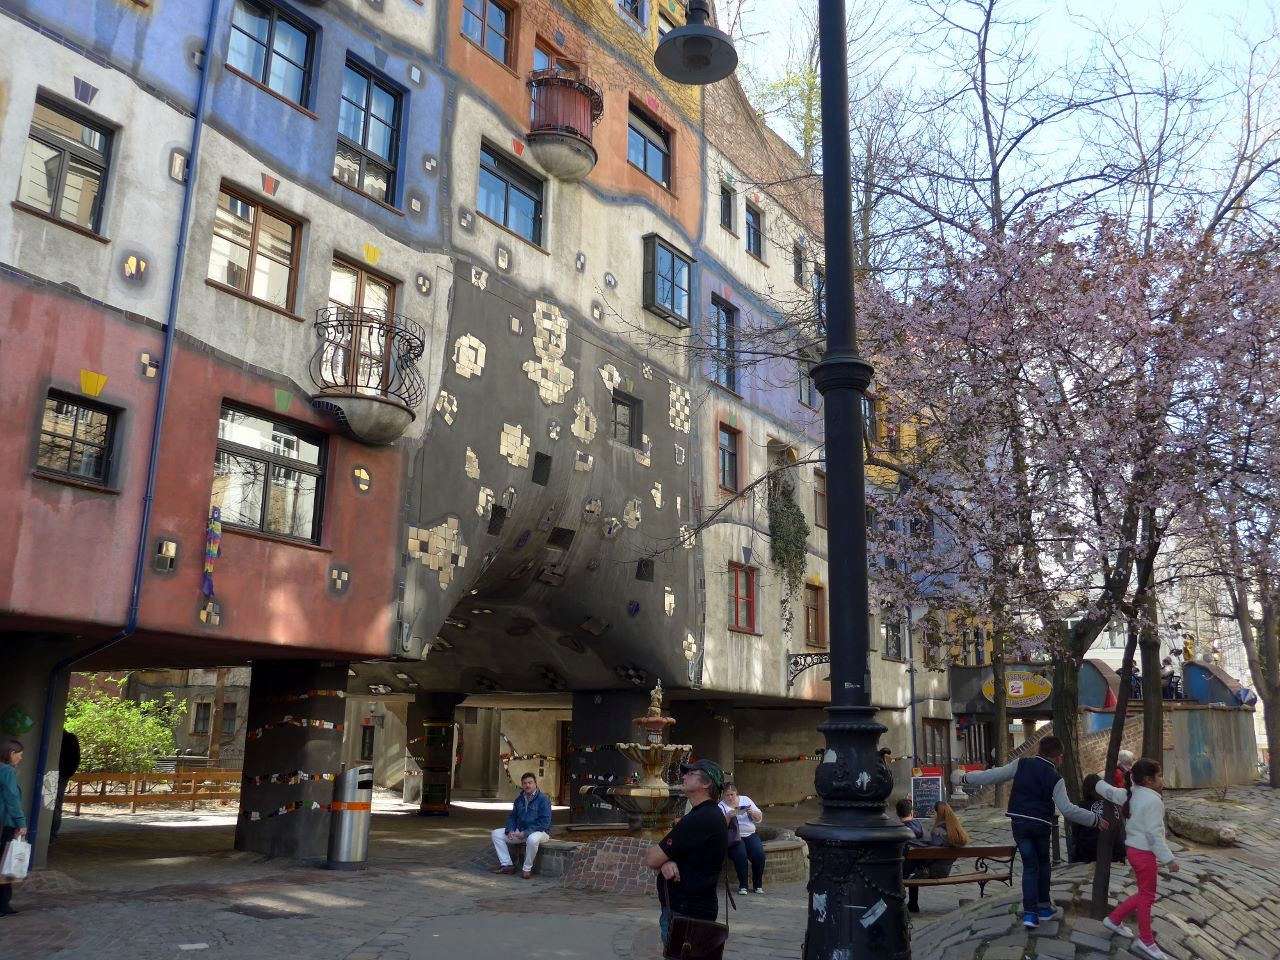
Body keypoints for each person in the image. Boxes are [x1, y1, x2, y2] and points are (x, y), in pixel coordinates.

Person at [952, 736, 1108, 929]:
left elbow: (994, 775)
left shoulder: (1022, 764)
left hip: (1019, 823)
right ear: (1058, 757)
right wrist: (1095, 820)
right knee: (1042, 864)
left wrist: (966, 777)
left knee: (1029, 866)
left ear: (1039, 750)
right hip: (1041, 825)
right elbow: (1067, 809)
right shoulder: (1056, 778)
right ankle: (1043, 908)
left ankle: (1030, 914)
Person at [644, 759, 728, 948]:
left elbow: (651, 858)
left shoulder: (700, 819)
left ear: (706, 784)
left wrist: (662, 859)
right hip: (694, 909)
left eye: (691, 774)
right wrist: (667, 861)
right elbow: (671, 856)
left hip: (686, 912)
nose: (683, 777)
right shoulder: (709, 815)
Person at [490, 771, 552, 879]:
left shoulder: (543, 800)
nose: (527, 785)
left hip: (540, 832)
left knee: (532, 839)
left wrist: (526, 833)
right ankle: (507, 865)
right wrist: (510, 830)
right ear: (522, 785)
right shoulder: (519, 800)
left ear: (535, 784)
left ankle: (527, 869)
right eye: (524, 783)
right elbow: (513, 817)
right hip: (521, 831)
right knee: (496, 834)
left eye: (530, 782)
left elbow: (544, 822)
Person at [1069, 774, 1127, 864]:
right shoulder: (1113, 804)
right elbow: (1122, 827)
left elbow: (1075, 832)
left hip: (1091, 853)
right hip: (1116, 851)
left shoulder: (1082, 806)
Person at [720, 782, 765, 895]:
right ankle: (743, 885)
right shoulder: (720, 806)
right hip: (734, 837)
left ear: (736, 794)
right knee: (741, 856)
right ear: (723, 795)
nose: (730, 797)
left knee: (759, 855)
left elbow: (759, 818)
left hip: (750, 834)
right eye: (727, 795)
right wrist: (728, 816)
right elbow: (720, 827)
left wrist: (752, 812)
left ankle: (758, 885)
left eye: (732, 794)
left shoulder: (746, 800)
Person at [0, 739, 28, 917]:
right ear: (11, 753)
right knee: (4, 863)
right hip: (5, 824)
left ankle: (4, 904)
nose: (21, 758)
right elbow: (12, 798)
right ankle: (2, 904)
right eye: (20, 754)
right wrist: (21, 822)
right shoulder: (8, 771)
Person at [896, 798, 930, 913]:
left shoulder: (899, 831)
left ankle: (899, 903)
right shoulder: (921, 827)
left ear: (897, 813)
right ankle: (913, 903)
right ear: (912, 812)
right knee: (912, 868)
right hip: (920, 868)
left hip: (905, 871)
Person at [926, 800, 970, 877]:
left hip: (933, 870)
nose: (933, 815)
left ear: (938, 813)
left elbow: (931, 855)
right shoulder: (955, 831)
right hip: (946, 870)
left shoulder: (937, 831)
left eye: (934, 812)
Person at [51, 729, 80, 841]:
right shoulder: (69, 738)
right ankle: (52, 834)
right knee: (54, 804)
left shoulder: (67, 738)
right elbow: (75, 759)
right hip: (60, 774)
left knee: (53, 804)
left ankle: (52, 834)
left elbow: (74, 759)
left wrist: (65, 774)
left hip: (58, 774)